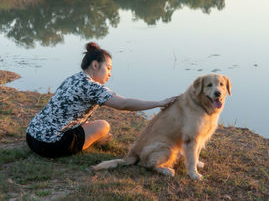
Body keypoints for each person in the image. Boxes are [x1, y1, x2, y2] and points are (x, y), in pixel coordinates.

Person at [26, 42, 177, 158]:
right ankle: (92, 140)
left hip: (32, 136)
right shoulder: (91, 86)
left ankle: (89, 138)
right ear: (95, 65)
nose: (110, 73)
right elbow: (123, 104)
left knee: (89, 125)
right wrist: (159, 103)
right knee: (103, 126)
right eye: (109, 68)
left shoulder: (73, 78)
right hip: (50, 145)